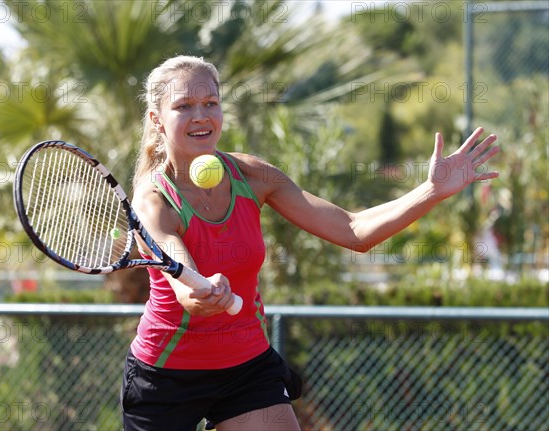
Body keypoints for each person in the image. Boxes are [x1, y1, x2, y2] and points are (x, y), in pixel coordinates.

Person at [120, 55, 499, 431]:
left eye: (210, 103)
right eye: (184, 106)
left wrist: (430, 191)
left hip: (245, 369)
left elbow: (353, 230)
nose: (201, 115)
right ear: (157, 120)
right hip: (165, 377)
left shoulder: (252, 175)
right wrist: (205, 292)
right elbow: (187, 292)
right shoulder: (153, 202)